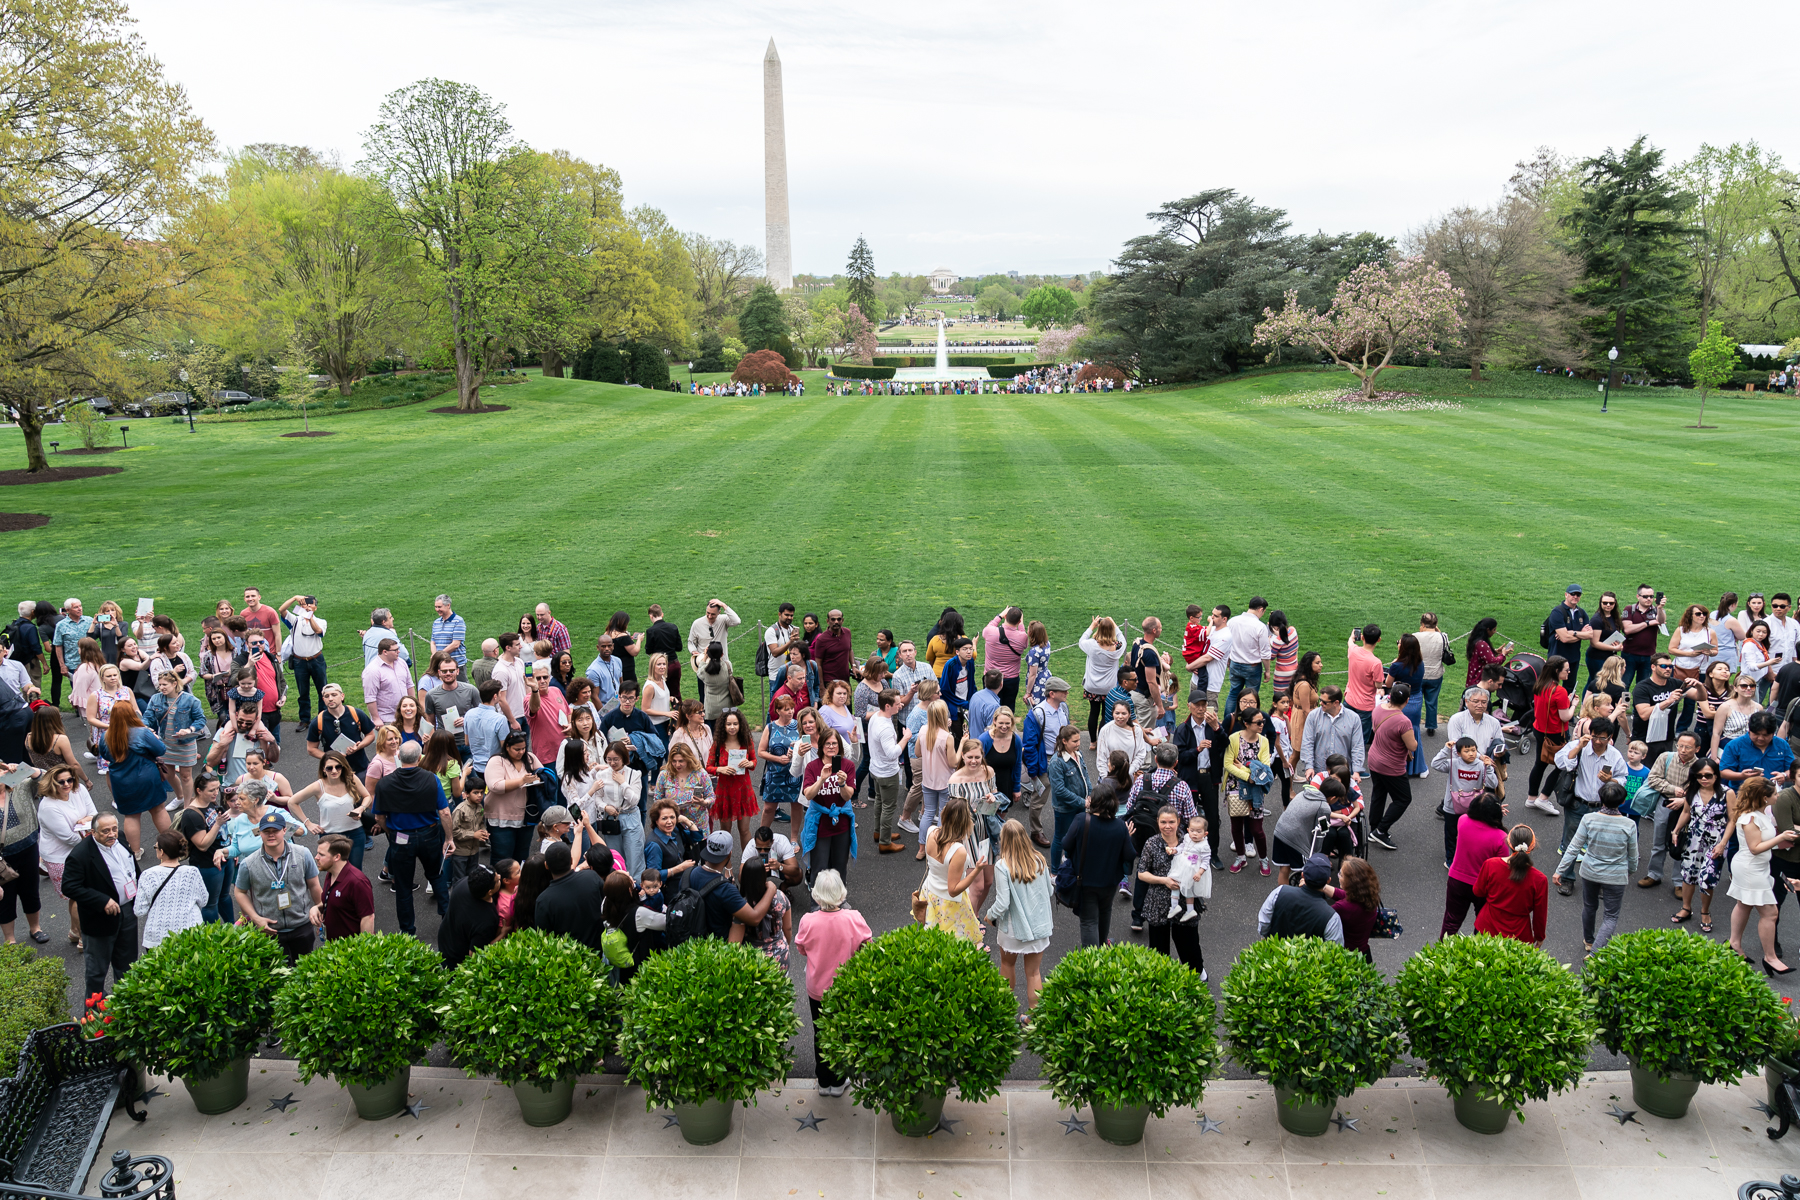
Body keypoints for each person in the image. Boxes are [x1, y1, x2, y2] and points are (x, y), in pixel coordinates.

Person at [793, 869, 871, 1098]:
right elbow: (867, 945)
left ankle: (823, 1079)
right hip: (844, 986)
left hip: (816, 987)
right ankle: (838, 1080)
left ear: (817, 896)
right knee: (842, 1032)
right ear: (841, 894)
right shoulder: (854, 918)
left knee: (820, 1031)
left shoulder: (808, 920)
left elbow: (800, 947)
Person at [372, 739, 454, 934]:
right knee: (436, 875)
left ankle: (407, 931)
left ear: (398, 756)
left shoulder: (384, 783)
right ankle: (448, 919)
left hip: (401, 838)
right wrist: (449, 839)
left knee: (403, 886)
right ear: (419, 758)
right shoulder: (431, 779)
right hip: (429, 834)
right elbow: (445, 813)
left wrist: (391, 833)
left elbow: (379, 817)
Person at [1552, 781, 1638, 954]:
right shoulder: (1629, 825)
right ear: (1622, 802)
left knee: (1589, 907)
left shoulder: (1589, 819)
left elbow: (1573, 847)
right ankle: (1596, 953)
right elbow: (1633, 856)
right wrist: (1630, 871)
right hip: (1616, 876)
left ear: (1601, 799)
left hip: (1590, 872)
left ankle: (1589, 941)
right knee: (1611, 916)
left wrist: (1559, 871)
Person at [232, 810, 323, 965]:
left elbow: (314, 885)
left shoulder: (303, 854)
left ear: (285, 830)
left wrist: (320, 908)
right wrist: (255, 918)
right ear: (259, 833)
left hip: (301, 926)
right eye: (266, 831)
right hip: (269, 930)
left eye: (275, 830)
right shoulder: (249, 863)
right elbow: (240, 891)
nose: (271, 835)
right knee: (278, 977)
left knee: (305, 972)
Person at [61, 812, 138, 993]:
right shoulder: (80, 855)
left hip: (127, 912)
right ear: (93, 833)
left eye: (114, 829)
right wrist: (102, 900)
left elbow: (133, 868)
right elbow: (69, 887)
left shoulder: (121, 839)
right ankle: (93, 1016)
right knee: (97, 973)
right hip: (100, 921)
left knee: (128, 967)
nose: (112, 834)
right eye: (105, 831)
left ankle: (127, 1012)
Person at [1725, 775, 1793, 974]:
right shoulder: (1750, 818)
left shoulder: (1760, 813)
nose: (1778, 795)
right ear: (1764, 797)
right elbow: (1755, 848)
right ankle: (1770, 958)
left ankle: (1734, 944)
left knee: (1743, 905)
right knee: (1770, 913)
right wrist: (1781, 837)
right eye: (1774, 793)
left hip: (1756, 867)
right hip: (1750, 868)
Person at [1060, 779, 1137, 947]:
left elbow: (1066, 844)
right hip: (1110, 882)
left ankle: (1092, 961)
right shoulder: (1120, 826)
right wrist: (1126, 838)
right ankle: (1103, 948)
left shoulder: (1082, 820)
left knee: (1089, 921)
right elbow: (1129, 855)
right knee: (1105, 912)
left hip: (1085, 881)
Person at [1135, 807, 1207, 975]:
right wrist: (1164, 881)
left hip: (1184, 902)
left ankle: (1197, 977)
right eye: (1163, 822)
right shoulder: (1152, 843)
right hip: (1158, 903)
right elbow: (1141, 874)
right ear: (1158, 823)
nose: (1167, 826)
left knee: (1189, 946)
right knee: (1159, 952)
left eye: (1171, 822)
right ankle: (1163, 983)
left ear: (1179, 822)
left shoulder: (1190, 842)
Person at [682, 830, 779, 940]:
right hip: (716, 944)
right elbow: (754, 918)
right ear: (729, 854)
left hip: (689, 938)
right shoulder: (726, 889)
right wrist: (771, 888)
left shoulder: (688, 873)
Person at [1441, 794, 1510, 937]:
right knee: (1483, 925)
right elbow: (1502, 868)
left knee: (1451, 921)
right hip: (1484, 887)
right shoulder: (1500, 837)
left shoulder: (1462, 821)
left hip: (1457, 881)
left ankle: (1443, 952)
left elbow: (1471, 815)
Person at [919, 795, 983, 943]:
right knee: (957, 946)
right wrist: (977, 870)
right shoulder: (958, 850)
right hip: (949, 904)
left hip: (930, 892)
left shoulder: (931, 831)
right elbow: (953, 889)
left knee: (933, 943)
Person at [1365, 683, 1419, 851]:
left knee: (1379, 794)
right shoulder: (1403, 721)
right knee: (1403, 798)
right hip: (1391, 766)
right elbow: (1413, 746)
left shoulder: (1379, 709)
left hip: (1374, 760)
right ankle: (1381, 830)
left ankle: (1373, 828)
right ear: (1407, 700)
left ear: (1390, 695)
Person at [1473, 825, 1547, 945]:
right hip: (1519, 935)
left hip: (1487, 927)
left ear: (1508, 842)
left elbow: (1478, 891)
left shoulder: (1490, 865)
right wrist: (1539, 936)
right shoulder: (1539, 879)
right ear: (1532, 847)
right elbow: (1540, 915)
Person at [801, 729, 857, 884]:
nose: (831, 747)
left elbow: (847, 796)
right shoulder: (813, 766)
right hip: (820, 825)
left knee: (840, 867)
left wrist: (842, 784)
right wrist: (821, 779)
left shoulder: (848, 765)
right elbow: (808, 795)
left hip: (841, 824)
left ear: (839, 746)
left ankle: (840, 902)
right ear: (821, 746)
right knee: (820, 867)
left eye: (834, 743)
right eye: (827, 743)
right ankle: (817, 905)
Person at [532, 841, 607, 951]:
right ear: (571, 860)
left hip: (569, 959)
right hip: (601, 949)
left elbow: (543, 938)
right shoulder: (592, 877)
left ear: (546, 865)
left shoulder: (543, 900)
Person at [1257, 853, 1343, 943]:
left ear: (1302, 875)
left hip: (1275, 952)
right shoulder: (1332, 917)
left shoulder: (1279, 892)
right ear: (1328, 881)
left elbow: (1264, 923)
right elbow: (1334, 949)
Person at [866, 687, 909, 852]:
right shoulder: (885, 728)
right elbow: (892, 753)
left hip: (875, 769)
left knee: (879, 801)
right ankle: (884, 842)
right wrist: (905, 738)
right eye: (897, 703)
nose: (901, 705)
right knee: (888, 807)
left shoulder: (877, 716)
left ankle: (879, 832)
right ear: (887, 706)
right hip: (887, 772)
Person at [706, 710, 759, 846]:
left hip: (744, 792)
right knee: (725, 832)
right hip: (725, 793)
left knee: (745, 831)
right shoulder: (718, 744)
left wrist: (750, 763)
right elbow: (708, 767)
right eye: (728, 724)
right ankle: (727, 865)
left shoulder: (746, 741)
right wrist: (720, 769)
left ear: (740, 725)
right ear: (723, 726)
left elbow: (754, 761)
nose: (732, 727)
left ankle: (747, 862)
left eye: (735, 724)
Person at [308, 833, 374, 941]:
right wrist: (316, 907)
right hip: (334, 947)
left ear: (337, 857)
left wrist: (363, 950)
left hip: (350, 951)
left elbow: (368, 917)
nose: (316, 857)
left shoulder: (357, 882)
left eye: (321, 854)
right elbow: (334, 902)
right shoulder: (330, 873)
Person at [914, 700, 957, 861]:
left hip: (928, 780)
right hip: (945, 781)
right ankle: (939, 847)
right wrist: (962, 746)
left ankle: (921, 848)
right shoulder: (948, 737)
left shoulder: (923, 730)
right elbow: (953, 762)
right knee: (943, 814)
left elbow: (918, 753)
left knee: (928, 813)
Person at [728, 856, 791, 965]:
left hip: (755, 962)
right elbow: (788, 928)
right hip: (781, 957)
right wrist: (783, 945)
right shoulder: (780, 896)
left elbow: (733, 946)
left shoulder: (743, 906)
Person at [437, 863, 499, 968]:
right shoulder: (486, 919)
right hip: (457, 959)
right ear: (489, 892)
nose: (500, 878)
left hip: (445, 941)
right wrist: (504, 933)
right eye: (497, 880)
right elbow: (473, 954)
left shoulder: (464, 883)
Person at [1298, 685, 1365, 777]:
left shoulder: (1353, 718)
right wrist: (1309, 767)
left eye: (1324, 702)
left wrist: (1356, 771)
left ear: (1336, 703)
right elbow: (1307, 742)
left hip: (1343, 773)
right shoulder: (1313, 716)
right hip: (1319, 772)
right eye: (1320, 700)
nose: (1320, 703)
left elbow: (1357, 746)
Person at [1078, 617, 1125, 744]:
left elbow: (1081, 640)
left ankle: (1093, 742)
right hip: (1108, 687)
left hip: (1092, 686)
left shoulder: (1092, 645)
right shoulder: (1118, 647)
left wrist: (1092, 626)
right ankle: (1102, 742)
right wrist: (1114, 623)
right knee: (1106, 714)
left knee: (1093, 712)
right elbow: (1123, 640)